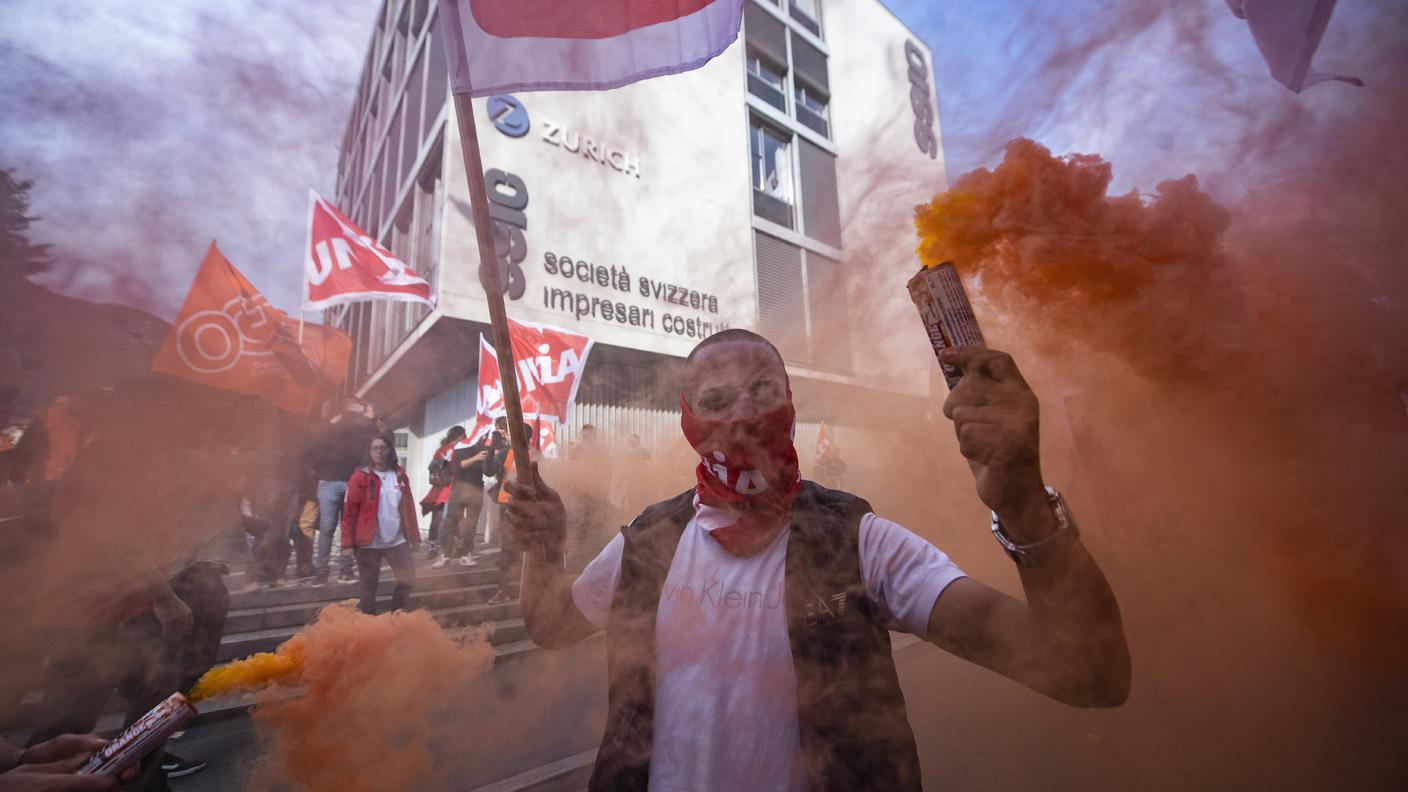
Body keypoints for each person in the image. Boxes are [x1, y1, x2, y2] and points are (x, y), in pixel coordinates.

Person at [506, 329, 1130, 791]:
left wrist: (1023, 501)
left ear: (791, 400)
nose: (745, 415)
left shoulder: (859, 542)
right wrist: (544, 548)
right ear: (688, 419)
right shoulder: (649, 543)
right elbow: (553, 625)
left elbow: (1085, 673)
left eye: (762, 392)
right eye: (718, 399)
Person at [341, 433, 420, 614]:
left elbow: (408, 507)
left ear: (390, 450)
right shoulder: (360, 477)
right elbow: (349, 513)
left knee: (408, 579)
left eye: (383, 448)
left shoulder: (400, 475)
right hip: (369, 542)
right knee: (369, 587)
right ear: (369, 452)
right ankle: (368, 627)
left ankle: (396, 616)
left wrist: (414, 536)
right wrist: (346, 544)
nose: (379, 452)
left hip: (397, 540)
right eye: (374, 448)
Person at [310, 399, 380, 586]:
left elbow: (314, 449)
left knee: (327, 529)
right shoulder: (363, 428)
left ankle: (322, 574)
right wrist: (372, 419)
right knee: (347, 529)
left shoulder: (328, 425)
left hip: (328, 481)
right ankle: (345, 571)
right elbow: (378, 443)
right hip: (350, 480)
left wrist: (319, 470)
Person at [434, 424, 498, 568]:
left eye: (487, 435)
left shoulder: (487, 449)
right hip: (459, 489)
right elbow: (456, 468)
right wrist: (476, 458)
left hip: (476, 489)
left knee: (471, 523)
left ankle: (466, 554)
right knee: (451, 521)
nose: (485, 437)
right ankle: (445, 554)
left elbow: (488, 472)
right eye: (483, 434)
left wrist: (493, 456)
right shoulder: (461, 447)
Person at [487, 423, 537, 606]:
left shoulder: (535, 455)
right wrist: (493, 448)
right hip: (507, 505)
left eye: (511, 432)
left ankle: (524, 590)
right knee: (508, 548)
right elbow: (488, 470)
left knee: (523, 549)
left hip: (525, 508)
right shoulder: (507, 452)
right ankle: (505, 589)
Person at [422, 426, 466, 558]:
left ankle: (432, 548)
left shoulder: (440, 450)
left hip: (438, 489)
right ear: (459, 436)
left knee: (436, 519)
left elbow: (432, 467)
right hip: (453, 487)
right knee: (457, 519)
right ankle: (459, 548)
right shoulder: (460, 450)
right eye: (464, 435)